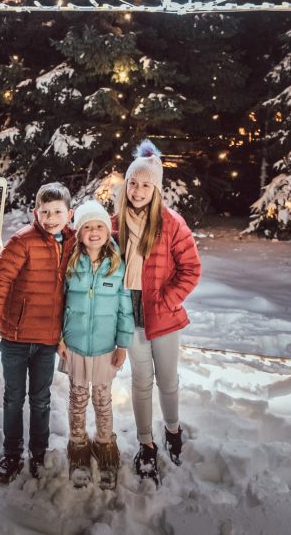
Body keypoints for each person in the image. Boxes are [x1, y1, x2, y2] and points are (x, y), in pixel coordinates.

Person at [114, 139, 201, 484]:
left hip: (163, 316)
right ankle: (145, 444)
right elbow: (88, 245)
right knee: (140, 381)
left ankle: (173, 429)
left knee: (167, 380)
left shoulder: (172, 223)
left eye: (145, 185)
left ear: (156, 189)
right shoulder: (114, 223)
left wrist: (167, 300)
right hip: (129, 314)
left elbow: (191, 269)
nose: (137, 191)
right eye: (133, 183)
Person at [0, 182, 76, 483]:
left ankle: (38, 452)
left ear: (69, 214)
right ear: (36, 212)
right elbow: (0, 280)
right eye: (45, 212)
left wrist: (67, 336)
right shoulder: (23, 241)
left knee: (41, 398)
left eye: (57, 212)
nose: (50, 218)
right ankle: (11, 454)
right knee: (13, 398)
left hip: (48, 339)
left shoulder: (74, 243)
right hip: (17, 337)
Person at [58, 200, 134, 489]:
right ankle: (78, 446)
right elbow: (60, 302)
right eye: (87, 227)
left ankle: (105, 445)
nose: (93, 232)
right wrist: (60, 338)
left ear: (107, 230)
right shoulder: (71, 262)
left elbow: (125, 308)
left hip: (104, 348)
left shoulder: (116, 265)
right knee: (77, 399)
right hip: (75, 345)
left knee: (102, 400)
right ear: (78, 233)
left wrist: (122, 344)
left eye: (98, 226)